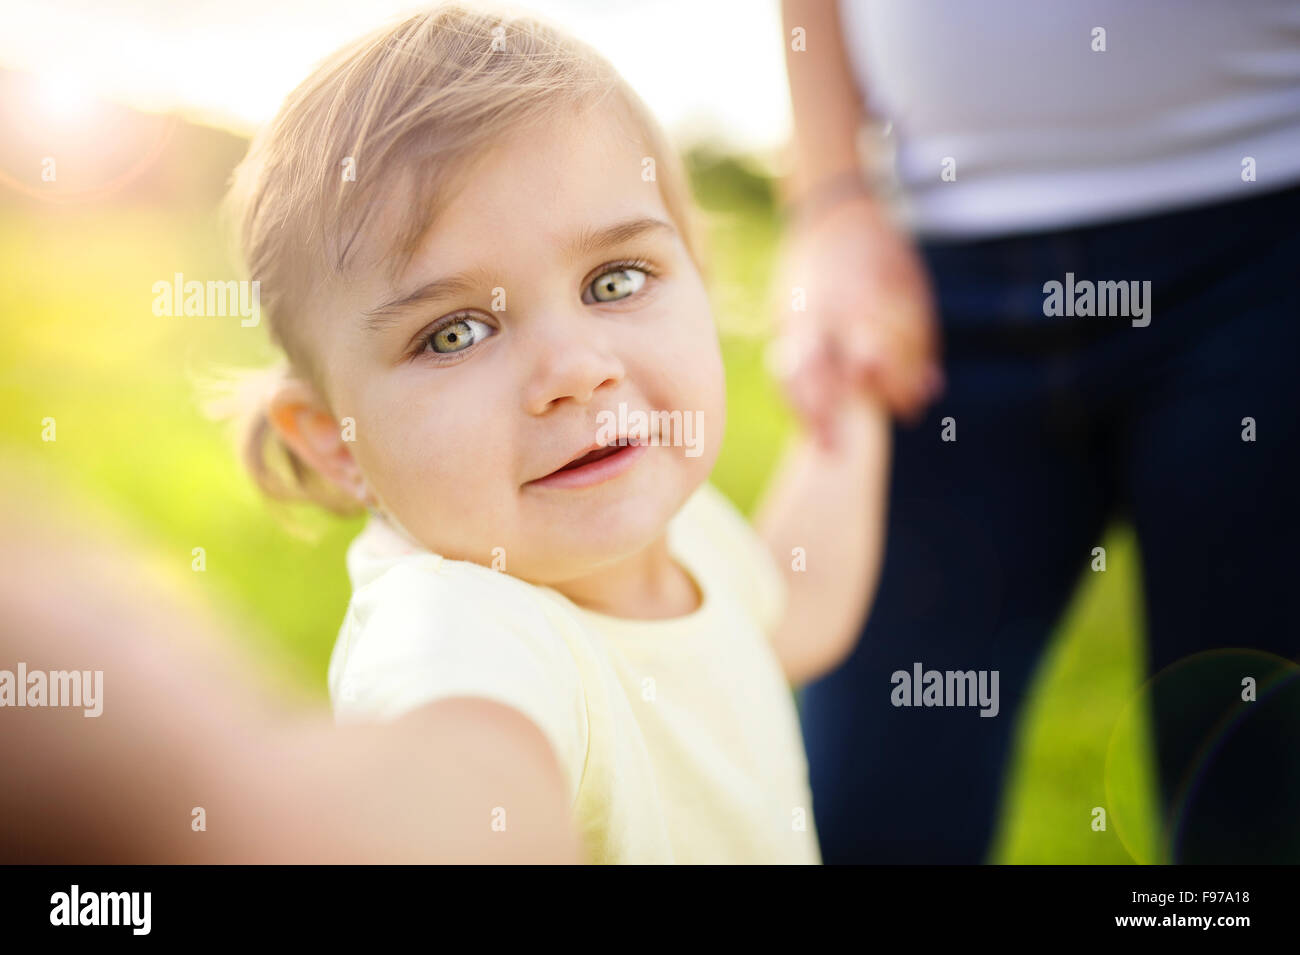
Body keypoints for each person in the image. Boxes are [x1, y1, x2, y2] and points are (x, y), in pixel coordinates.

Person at [215, 2, 891, 863]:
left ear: (699, 274)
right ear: (336, 441)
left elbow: (788, 618)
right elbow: (461, 768)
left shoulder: (675, 528)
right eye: (455, 332)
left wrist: (851, 403)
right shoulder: (465, 618)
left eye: (615, 280)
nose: (576, 368)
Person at [776, 0, 1300, 863]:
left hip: (1265, 235)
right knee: (866, 812)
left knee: (1253, 806)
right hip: (929, 285)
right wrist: (832, 201)